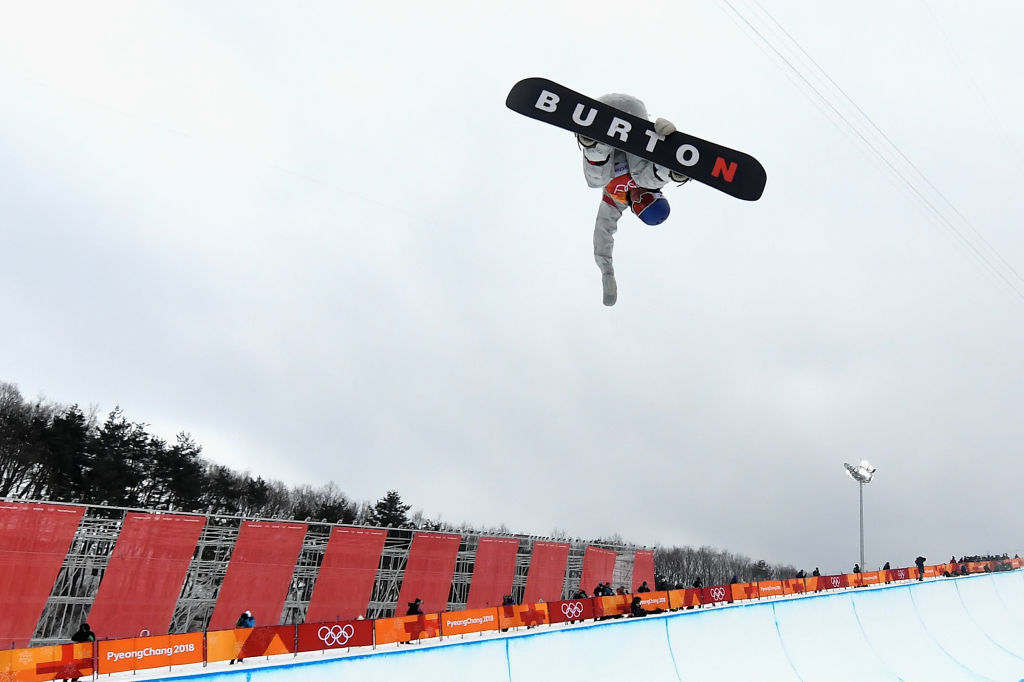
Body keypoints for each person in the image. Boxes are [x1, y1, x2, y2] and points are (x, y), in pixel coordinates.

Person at [577, 93, 690, 306]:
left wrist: (607, 273)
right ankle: (674, 170)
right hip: (634, 112)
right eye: (647, 197)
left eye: (639, 204)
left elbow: (603, 235)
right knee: (646, 177)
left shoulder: (615, 201)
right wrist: (668, 141)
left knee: (596, 182)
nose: (639, 196)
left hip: (602, 121)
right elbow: (652, 180)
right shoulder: (651, 181)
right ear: (657, 194)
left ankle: (594, 143)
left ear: (634, 210)